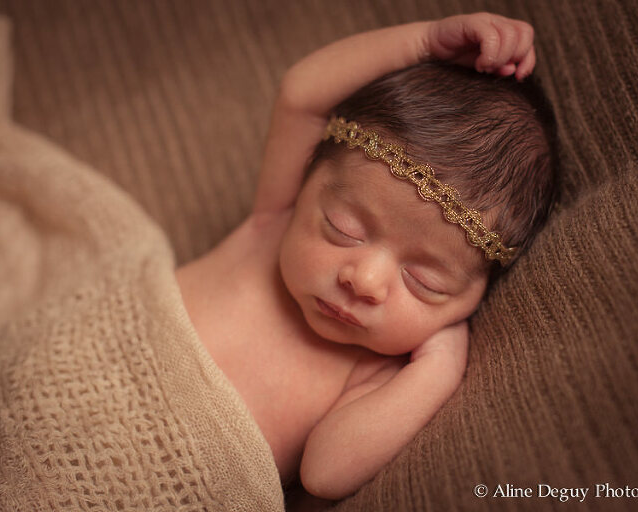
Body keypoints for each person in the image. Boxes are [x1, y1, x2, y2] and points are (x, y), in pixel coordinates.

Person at [175, 11, 556, 501]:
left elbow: (327, 473)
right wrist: (424, 41)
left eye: (425, 282)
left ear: (468, 301)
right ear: (309, 185)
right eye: (344, 229)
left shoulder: (377, 369)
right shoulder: (273, 223)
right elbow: (302, 92)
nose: (365, 280)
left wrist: (437, 367)